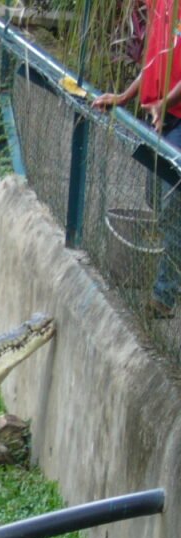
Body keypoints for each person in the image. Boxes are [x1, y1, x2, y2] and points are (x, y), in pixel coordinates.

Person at [94, 0, 181, 319]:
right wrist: (125, 96)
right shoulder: (160, 5)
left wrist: (163, 102)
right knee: (156, 198)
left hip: (174, 113)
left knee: (173, 205)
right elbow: (154, 61)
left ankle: (164, 295)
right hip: (166, 114)